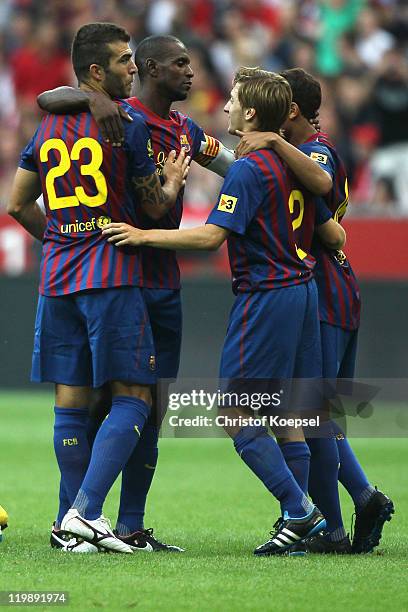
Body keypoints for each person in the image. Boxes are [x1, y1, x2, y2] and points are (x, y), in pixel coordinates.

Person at [38, 36, 334, 553]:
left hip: (161, 282)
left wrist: (275, 152)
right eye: (180, 64)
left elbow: (234, 166)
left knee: (152, 406)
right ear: (152, 69)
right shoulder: (120, 117)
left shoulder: (186, 131)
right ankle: (76, 517)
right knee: (105, 402)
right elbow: (51, 98)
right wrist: (96, 98)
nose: (192, 73)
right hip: (120, 272)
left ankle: (128, 524)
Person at [101, 71, 349, 555]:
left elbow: (212, 237)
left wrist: (143, 235)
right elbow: (334, 233)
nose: (227, 107)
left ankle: (300, 512)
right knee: (288, 414)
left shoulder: (250, 168)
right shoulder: (289, 164)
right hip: (303, 292)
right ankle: (298, 526)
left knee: (236, 413)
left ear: (251, 113)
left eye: (234, 101)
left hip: (267, 295)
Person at [7, 22, 188, 554]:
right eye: (123, 60)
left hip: (57, 278)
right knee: (136, 396)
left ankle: (70, 521)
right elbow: (154, 210)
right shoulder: (127, 126)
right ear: (95, 71)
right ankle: (83, 514)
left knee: (72, 403)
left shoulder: (46, 128)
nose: (132, 67)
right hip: (110, 273)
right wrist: (174, 182)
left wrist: (63, 238)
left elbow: (18, 204)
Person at [235, 67, 394, 554]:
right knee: (315, 412)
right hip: (328, 288)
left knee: (309, 412)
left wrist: (270, 145)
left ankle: (336, 517)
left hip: (319, 288)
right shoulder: (293, 154)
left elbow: (330, 227)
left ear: (290, 111)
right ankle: (348, 507)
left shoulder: (314, 153)